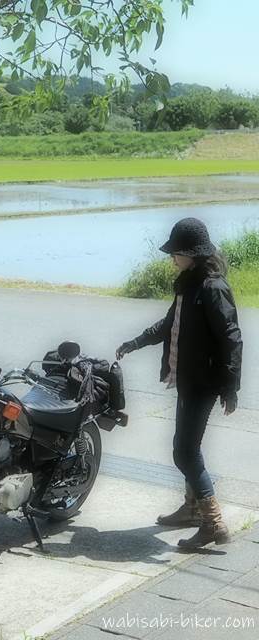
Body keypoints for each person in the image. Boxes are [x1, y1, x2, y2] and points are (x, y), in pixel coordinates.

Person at [116, 217, 243, 549]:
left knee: (184, 452)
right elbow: (168, 324)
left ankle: (213, 523)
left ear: (193, 254)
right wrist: (135, 342)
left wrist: (231, 385)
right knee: (189, 448)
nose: (172, 257)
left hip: (203, 382)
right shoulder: (189, 285)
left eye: (177, 252)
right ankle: (191, 509)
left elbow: (232, 338)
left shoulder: (212, 288)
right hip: (188, 379)